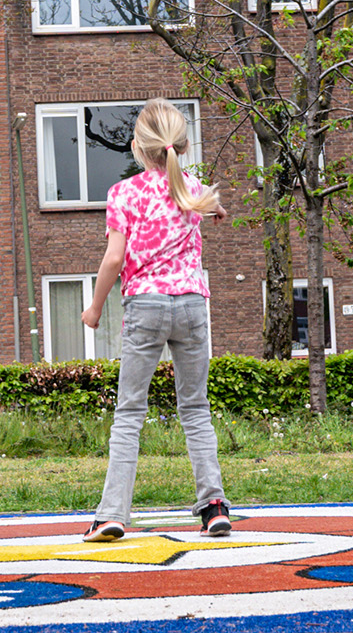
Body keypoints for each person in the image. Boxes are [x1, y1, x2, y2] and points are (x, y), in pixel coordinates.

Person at [80, 98, 232, 543]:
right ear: (181, 146)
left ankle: (112, 513)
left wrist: (94, 307)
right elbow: (214, 211)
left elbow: (114, 258)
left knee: (129, 412)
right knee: (195, 410)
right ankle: (214, 505)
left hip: (145, 305)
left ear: (135, 147)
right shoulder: (194, 188)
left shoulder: (124, 194)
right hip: (191, 305)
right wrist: (215, 212)